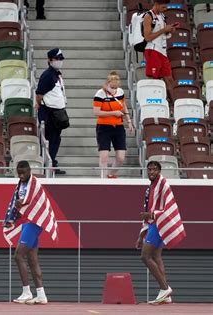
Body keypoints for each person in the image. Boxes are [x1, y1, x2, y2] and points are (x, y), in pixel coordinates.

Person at [3, 161, 58, 305]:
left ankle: (26, 292)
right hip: (28, 222)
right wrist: (10, 218)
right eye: (18, 173)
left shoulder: (34, 182)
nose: (21, 176)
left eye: (23, 173)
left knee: (18, 256)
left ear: (29, 171)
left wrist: (20, 203)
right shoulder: (20, 185)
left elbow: (26, 200)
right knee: (32, 260)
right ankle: (41, 295)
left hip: (35, 222)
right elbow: (15, 202)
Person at [136, 161, 186, 305]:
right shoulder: (150, 188)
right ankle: (166, 295)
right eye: (149, 169)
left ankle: (164, 288)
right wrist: (141, 235)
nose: (151, 172)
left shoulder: (163, 185)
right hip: (154, 224)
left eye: (154, 170)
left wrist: (150, 215)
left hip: (159, 224)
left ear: (159, 171)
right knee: (156, 256)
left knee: (145, 256)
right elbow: (148, 210)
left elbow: (169, 208)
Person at [93, 71, 135, 178]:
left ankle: (111, 173)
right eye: (112, 87)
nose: (114, 89)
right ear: (107, 84)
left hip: (118, 126)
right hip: (104, 127)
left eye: (116, 87)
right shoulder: (100, 94)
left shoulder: (120, 92)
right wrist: (113, 113)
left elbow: (123, 105)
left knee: (120, 157)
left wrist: (129, 121)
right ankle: (103, 178)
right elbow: (96, 112)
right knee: (104, 156)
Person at [35, 48, 68, 175]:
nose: (60, 61)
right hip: (49, 112)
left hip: (57, 112)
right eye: (57, 59)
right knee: (50, 138)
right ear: (50, 60)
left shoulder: (56, 74)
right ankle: (48, 164)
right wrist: (39, 104)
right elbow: (39, 94)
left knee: (55, 139)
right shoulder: (48, 75)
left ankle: (52, 162)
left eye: (61, 59)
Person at [143, 0, 178, 103]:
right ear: (157, 4)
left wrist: (169, 31)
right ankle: (154, 103)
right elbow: (147, 37)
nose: (165, 8)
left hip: (162, 52)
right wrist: (163, 30)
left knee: (169, 79)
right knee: (154, 80)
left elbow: (162, 34)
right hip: (153, 51)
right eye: (163, 7)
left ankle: (175, 106)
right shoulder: (148, 16)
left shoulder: (162, 16)